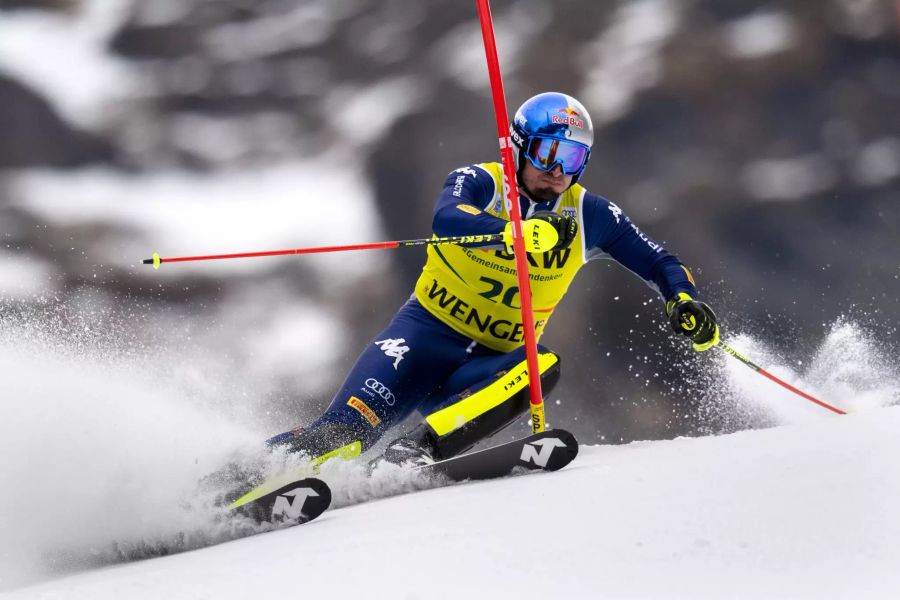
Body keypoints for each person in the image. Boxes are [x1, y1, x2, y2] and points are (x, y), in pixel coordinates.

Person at [266, 92, 719, 468]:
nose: (558, 170)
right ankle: (235, 480)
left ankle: (417, 454)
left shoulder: (590, 215)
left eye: (572, 156)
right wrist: (513, 233)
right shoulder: (480, 181)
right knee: (341, 437)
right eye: (547, 152)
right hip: (420, 340)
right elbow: (447, 218)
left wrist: (683, 300)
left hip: (485, 368)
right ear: (520, 147)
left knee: (541, 366)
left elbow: (660, 260)